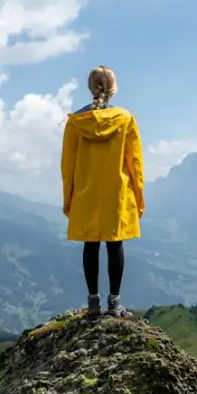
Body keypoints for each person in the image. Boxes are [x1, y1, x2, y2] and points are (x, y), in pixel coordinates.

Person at [60, 65, 145, 317]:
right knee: (114, 243)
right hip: (116, 193)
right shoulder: (126, 120)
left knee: (91, 243)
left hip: (86, 192)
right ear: (113, 89)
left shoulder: (76, 123)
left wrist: (69, 198)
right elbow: (136, 164)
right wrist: (138, 198)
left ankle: (93, 303)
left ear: (90, 88)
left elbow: (67, 165)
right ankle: (115, 302)